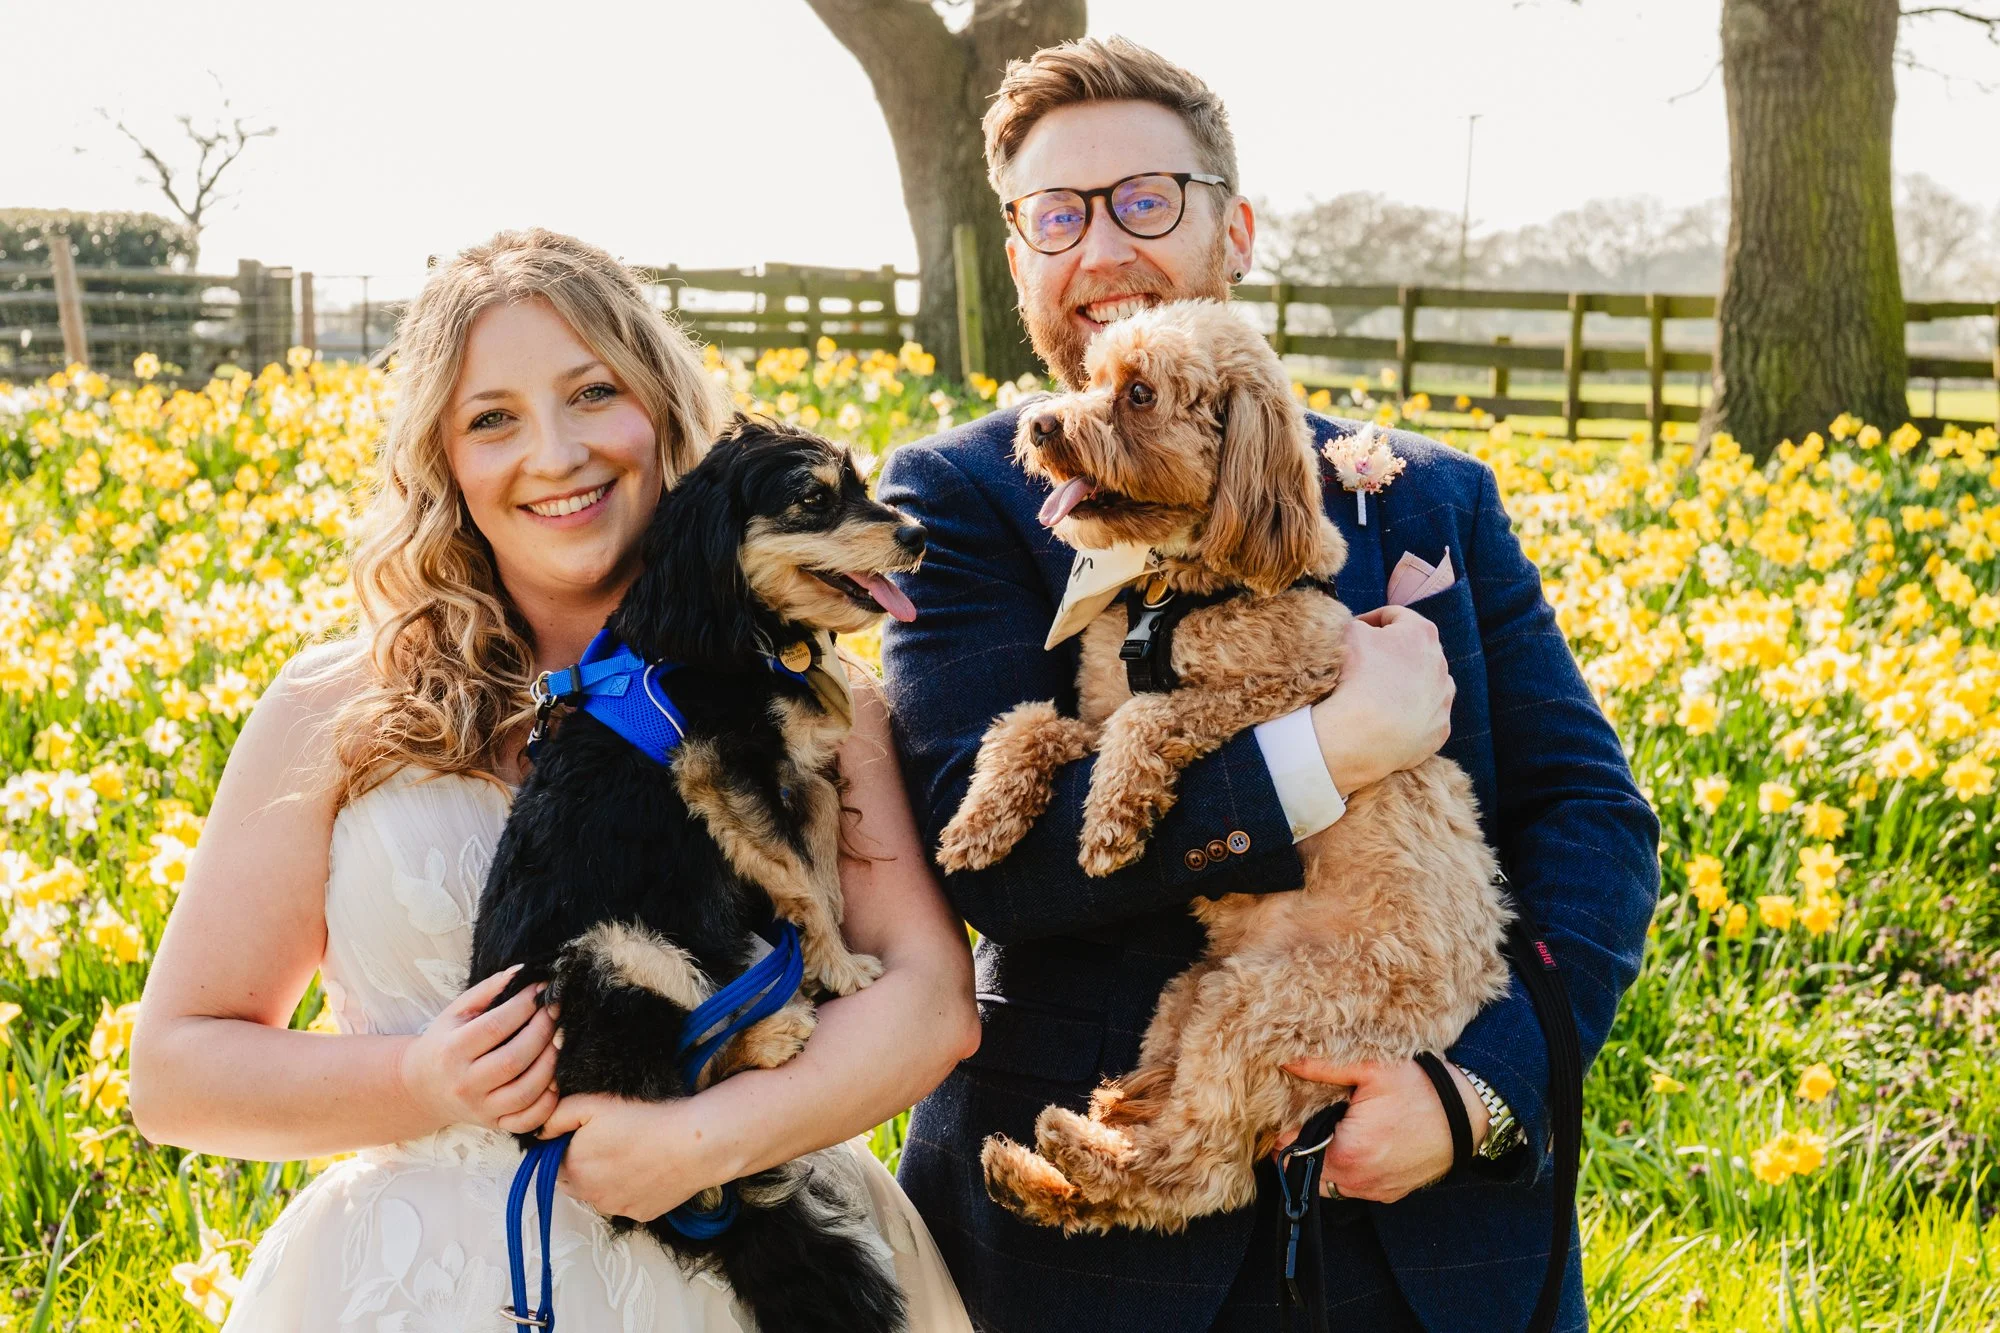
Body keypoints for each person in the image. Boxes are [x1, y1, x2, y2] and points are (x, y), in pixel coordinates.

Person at [879, 37, 1660, 1333]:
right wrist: (1327, 752)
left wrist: (1472, 1093)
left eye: (1145, 199)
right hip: (1082, 1272)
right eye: (1055, 215)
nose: (1102, 248)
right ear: (1018, 257)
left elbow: (1595, 825)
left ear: (1232, 225)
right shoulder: (962, 500)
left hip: (1430, 1251)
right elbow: (988, 862)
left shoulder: (1433, 497)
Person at [129, 229, 980, 1331]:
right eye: (492, 418)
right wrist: (422, 1083)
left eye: (592, 392)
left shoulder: (811, 691)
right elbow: (176, 1073)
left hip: (766, 1241)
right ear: (442, 462)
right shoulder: (336, 705)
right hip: (436, 1282)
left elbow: (927, 1004)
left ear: (664, 410)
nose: (559, 452)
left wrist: (699, 1140)